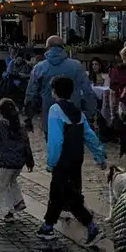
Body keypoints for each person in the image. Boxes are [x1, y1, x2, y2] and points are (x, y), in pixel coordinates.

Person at [36, 76, 105, 245]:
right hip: (76, 159)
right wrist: (99, 155)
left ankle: (91, 227)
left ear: (54, 91)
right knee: (64, 194)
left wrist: (51, 162)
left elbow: (55, 141)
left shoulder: (55, 110)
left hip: (62, 160)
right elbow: (89, 136)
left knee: (65, 195)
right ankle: (47, 226)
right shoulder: (78, 112)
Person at [24, 35, 97, 136]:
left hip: (50, 116)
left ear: (47, 48)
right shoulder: (76, 66)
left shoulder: (39, 68)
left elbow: (31, 94)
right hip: (74, 116)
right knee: (74, 148)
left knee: (54, 148)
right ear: (63, 47)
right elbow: (87, 92)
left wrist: (29, 116)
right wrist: (89, 114)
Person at [0, 98, 34, 222]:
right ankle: (18, 201)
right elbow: (27, 144)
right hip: (18, 162)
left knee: (3, 186)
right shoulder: (20, 126)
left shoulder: (1, 125)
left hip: (6, 162)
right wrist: (29, 160)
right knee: (12, 181)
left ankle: (7, 211)